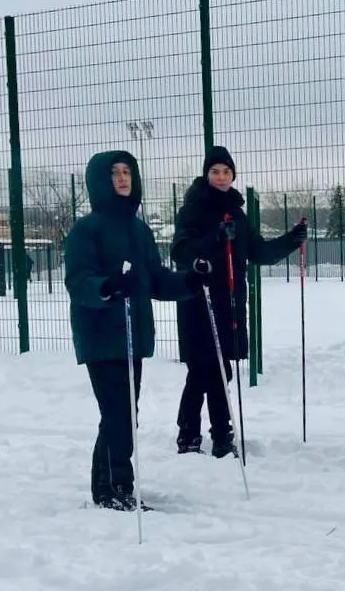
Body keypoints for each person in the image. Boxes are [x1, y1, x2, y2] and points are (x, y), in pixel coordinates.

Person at [64, 150, 206, 511]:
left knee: (123, 413)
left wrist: (190, 280)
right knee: (119, 415)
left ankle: (104, 485)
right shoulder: (87, 230)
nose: (123, 179)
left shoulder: (138, 229)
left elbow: (154, 280)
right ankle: (116, 488)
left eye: (128, 172)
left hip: (133, 333)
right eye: (114, 173)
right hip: (102, 334)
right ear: (100, 180)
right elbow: (79, 281)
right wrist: (107, 286)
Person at [170, 145, 308, 458]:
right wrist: (215, 240)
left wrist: (291, 239)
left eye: (226, 172)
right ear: (207, 174)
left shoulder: (238, 214)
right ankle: (206, 435)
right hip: (199, 300)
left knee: (216, 371)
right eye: (215, 171)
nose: (221, 177)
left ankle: (206, 434)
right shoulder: (192, 209)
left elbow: (259, 253)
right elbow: (181, 251)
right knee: (207, 370)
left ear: (233, 175)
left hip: (229, 300)